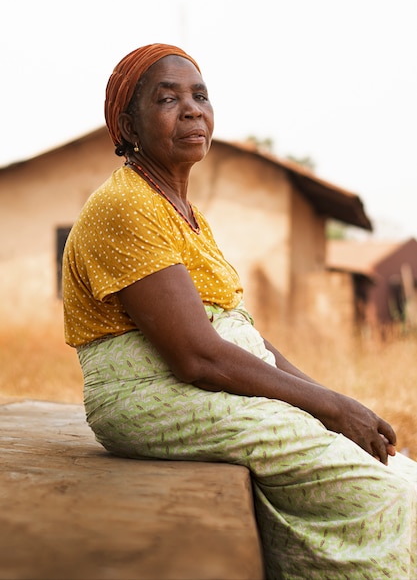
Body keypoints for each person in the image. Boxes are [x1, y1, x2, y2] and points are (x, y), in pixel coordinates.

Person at [62, 43, 417, 580]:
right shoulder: (125, 205)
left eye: (200, 95)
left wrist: (332, 402)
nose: (191, 109)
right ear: (128, 127)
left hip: (202, 384)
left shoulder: (185, 213)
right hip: (151, 394)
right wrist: (330, 407)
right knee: (388, 497)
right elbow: (196, 355)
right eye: (167, 98)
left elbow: (243, 333)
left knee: (396, 473)